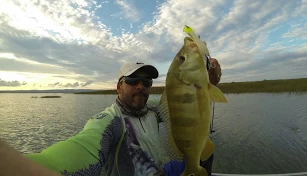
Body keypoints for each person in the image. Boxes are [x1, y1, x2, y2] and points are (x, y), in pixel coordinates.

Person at [0, 59, 222, 176]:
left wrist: (208, 81)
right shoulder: (108, 121)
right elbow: (80, 148)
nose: (140, 86)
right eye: (133, 80)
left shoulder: (153, 110)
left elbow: (188, 104)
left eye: (146, 82)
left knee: (204, 154)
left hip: (161, 171)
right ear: (118, 86)